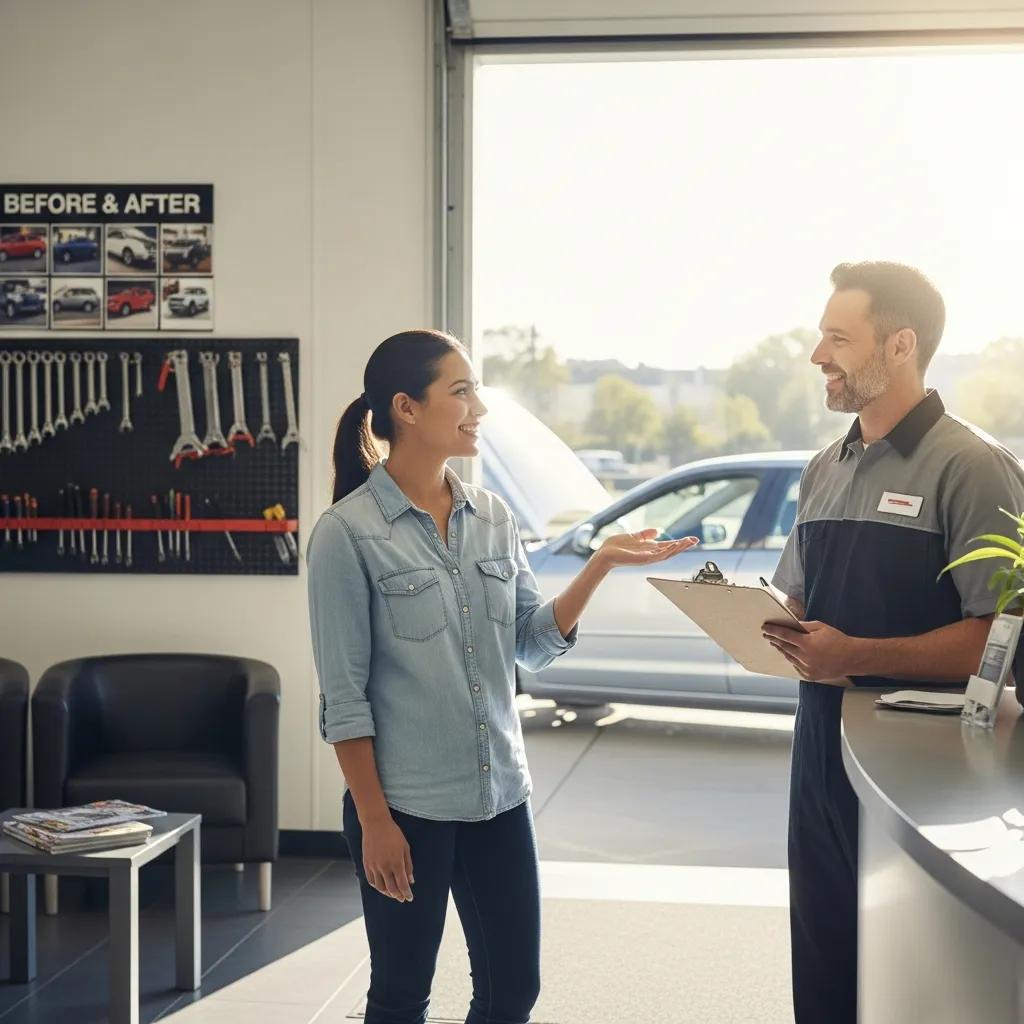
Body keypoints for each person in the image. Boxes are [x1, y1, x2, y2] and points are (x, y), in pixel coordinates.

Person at [306, 329, 697, 1024]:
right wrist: (374, 822)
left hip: (500, 802)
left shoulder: (492, 517)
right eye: (461, 391)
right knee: (399, 999)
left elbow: (531, 645)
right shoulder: (346, 535)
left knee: (514, 991)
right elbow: (344, 698)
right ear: (406, 408)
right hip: (405, 810)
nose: (478, 407)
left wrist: (600, 563)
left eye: (476, 389)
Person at [763, 262, 1024, 1024]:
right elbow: (801, 601)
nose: (819, 355)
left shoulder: (973, 467)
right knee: (822, 975)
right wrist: (746, 617)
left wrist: (859, 657)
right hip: (817, 757)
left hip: (926, 781)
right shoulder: (824, 467)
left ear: (901, 345)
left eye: (838, 338)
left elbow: (1000, 640)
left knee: (908, 991)